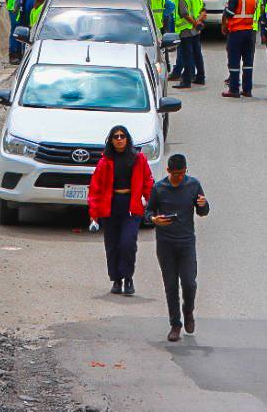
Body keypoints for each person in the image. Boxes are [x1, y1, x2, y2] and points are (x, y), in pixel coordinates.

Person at [147, 153, 210, 342]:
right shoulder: (159, 188)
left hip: (186, 242)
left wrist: (203, 204)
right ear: (168, 171)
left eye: (182, 173)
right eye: (176, 174)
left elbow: (203, 211)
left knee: (189, 282)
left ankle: (188, 310)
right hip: (166, 243)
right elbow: (148, 211)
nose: (180, 177)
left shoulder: (193, 185)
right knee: (171, 285)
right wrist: (154, 219)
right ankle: (175, 324)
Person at [88, 125, 153, 296]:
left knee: (128, 243)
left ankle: (128, 277)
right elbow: (95, 189)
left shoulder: (138, 159)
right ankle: (116, 279)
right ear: (111, 140)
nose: (119, 139)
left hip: (131, 206)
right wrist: (94, 215)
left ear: (127, 138)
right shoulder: (104, 161)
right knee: (112, 245)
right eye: (115, 136)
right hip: (110, 206)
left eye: (122, 136)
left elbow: (148, 182)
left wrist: (150, 204)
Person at [221, 0, 258, 98]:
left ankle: (234, 89)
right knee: (248, 62)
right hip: (249, 31)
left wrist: (226, 9)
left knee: (234, 61)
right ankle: (247, 90)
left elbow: (230, 13)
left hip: (236, 32)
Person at [167, 0, 205, 88]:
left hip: (185, 29)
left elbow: (183, 13)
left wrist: (194, 23)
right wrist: (198, 22)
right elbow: (200, 7)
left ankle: (186, 80)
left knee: (187, 54)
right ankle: (200, 77)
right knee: (196, 53)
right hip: (194, 29)